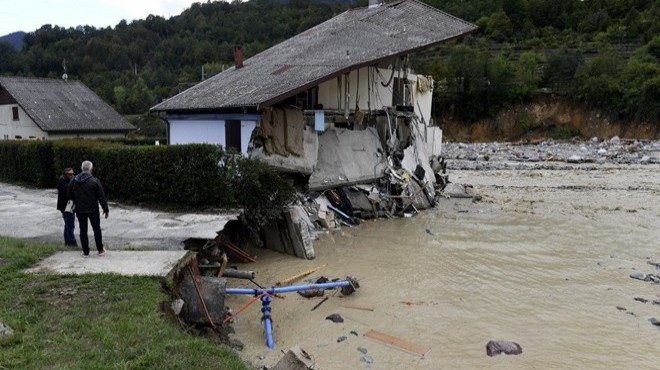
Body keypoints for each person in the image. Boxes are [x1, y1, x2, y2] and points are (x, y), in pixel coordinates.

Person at [68, 160, 109, 257]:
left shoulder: (73, 181)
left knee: (83, 230)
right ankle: (100, 250)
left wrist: (70, 210)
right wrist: (105, 209)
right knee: (96, 229)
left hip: (79, 210)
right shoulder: (94, 181)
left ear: (82, 169)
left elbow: (69, 196)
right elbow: (101, 197)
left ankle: (85, 252)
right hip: (93, 210)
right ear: (91, 169)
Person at [56, 168, 77, 246]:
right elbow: (67, 192)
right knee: (70, 224)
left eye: (73, 174)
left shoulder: (66, 182)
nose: (72, 176)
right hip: (66, 205)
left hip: (69, 204)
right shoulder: (63, 183)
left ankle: (67, 242)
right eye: (70, 174)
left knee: (68, 224)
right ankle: (72, 242)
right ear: (65, 175)